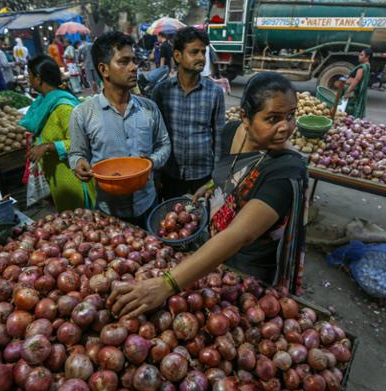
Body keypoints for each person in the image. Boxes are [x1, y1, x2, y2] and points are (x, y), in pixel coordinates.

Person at [108, 72, 308, 318]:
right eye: (273, 118)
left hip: (249, 269)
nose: (286, 127)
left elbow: (240, 234)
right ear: (245, 117)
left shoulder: (286, 170)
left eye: (290, 116)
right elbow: (228, 173)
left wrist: (166, 284)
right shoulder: (231, 132)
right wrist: (213, 185)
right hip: (211, 254)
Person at [69, 31, 170, 225]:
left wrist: (151, 162)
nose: (134, 68)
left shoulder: (149, 108)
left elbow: (164, 144)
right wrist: (79, 163)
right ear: (104, 69)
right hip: (109, 211)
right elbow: (76, 153)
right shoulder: (83, 113)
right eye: (124, 62)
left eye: (134, 60)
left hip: (148, 203)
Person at [152, 27, 225, 200]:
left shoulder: (214, 92)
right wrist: (156, 175)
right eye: (194, 52)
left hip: (203, 174)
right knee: (172, 219)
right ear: (177, 56)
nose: (201, 57)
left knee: (201, 220)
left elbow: (219, 138)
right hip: (170, 174)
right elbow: (155, 136)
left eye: (203, 52)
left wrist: (215, 178)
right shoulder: (161, 91)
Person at [19, 55, 95, 212]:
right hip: (57, 177)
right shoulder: (43, 102)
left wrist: (47, 147)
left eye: (30, 75)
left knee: (81, 220)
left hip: (73, 178)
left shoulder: (63, 108)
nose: (28, 79)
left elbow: (80, 142)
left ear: (39, 79)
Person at [343, 48, 371, 119]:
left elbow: (356, 80)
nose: (359, 56)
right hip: (357, 93)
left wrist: (348, 92)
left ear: (367, 57)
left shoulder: (362, 68)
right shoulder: (368, 66)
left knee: (348, 112)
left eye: (362, 55)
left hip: (353, 93)